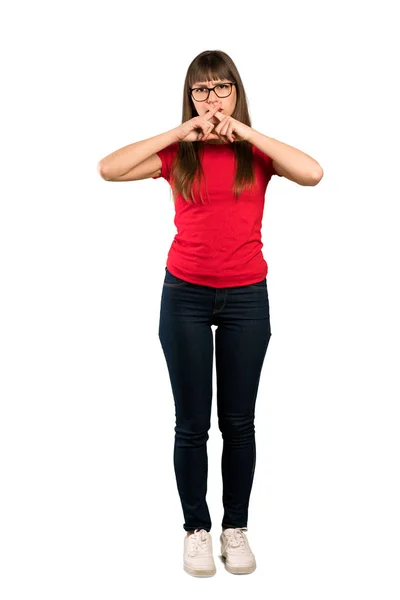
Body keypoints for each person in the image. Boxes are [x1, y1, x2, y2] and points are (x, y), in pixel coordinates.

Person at [97, 49, 323, 577]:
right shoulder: (180, 155)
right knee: (191, 424)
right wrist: (182, 133)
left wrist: (244, 132)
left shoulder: (256, 154)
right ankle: (196, 529)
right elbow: (108, 169)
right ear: (190, 97)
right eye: (202, 90)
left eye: (223, 88)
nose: (213, 99)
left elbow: (312, 173)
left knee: (239, 423)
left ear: (237, 93)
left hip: (247, 295)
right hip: (185, 295)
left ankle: (235, 528)